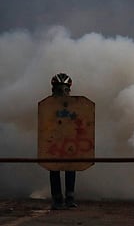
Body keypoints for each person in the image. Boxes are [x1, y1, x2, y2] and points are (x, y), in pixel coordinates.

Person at [49, 73, 77, 210]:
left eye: (66, 90)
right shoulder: (47, 106)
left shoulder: (76, 106)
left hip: (69, 140)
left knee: (70, 166)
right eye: (60, 90)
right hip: (53, 141)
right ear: (53, 90)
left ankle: (70, 197)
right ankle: (57, 198)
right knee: (53, 167)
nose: (63, 93)